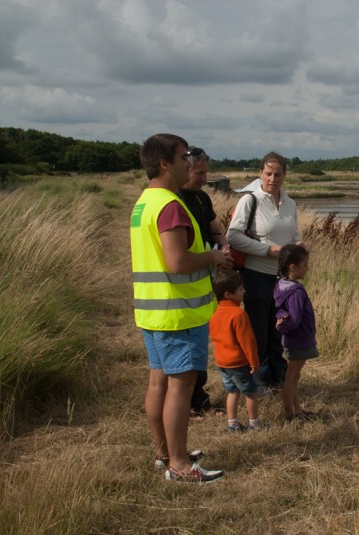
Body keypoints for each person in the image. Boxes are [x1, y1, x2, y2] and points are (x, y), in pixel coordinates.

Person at [131, 133, 231, 483]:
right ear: (164, 163)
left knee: (159, 382)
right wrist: (214, 256)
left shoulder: (145, 202)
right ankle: (180, 465)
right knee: (180, 385)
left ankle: (165, 453)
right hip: (178, 312)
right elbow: (177, 261)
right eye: (183, 156)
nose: (189, 163)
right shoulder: (170, 205)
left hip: (153, 311)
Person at [226, 152, 300, 390]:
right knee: (259, 332)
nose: (272, 179)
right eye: (268, 173)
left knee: (279, 330)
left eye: (278, 174)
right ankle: (259, 383)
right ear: (260, 174)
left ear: (284, 176)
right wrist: (268, 250)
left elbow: (294, 234)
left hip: (283, 279)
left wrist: (297, 247)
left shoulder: (290, 203)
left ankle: (278, 379)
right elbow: (233, 236)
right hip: (256, 275)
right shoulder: (251, 200)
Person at [177, 146, 227, 416]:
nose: (204, 178)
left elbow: (214, 228)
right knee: (188, 348)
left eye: (206, 172)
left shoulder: (202, 198)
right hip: (183, 284)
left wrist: (223, 245)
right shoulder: (174, 200)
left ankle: (197, 398)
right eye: (199, 173)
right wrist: (213, 256)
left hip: (202, 282)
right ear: (185, 169)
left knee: (198, 344)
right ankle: (193, 402)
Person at [209, 269, 267, 432]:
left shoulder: (215, 314)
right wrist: (254, 361)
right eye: (240, 289)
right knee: (251, 393)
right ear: (228, 294)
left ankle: (232, 424)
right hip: (238, 363)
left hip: (222, 362)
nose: (244, 291)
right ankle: (254, 424)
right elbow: (247, 341)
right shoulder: (239, 315)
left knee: (232, 392)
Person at [274, 244, 319, 422]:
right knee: (291, 377)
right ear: (293, 267)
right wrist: (283, 327)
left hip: (291, 339)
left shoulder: (281, 285)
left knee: (294, 376)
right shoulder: (296, 292)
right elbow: (294, 318)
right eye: (305, 265)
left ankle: (297, 410)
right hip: (299, 339)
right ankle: (290, 414)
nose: (307, 268)